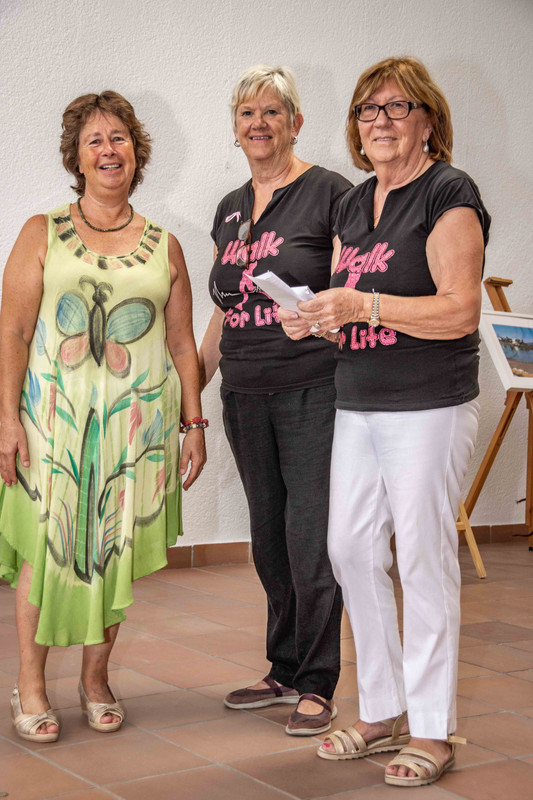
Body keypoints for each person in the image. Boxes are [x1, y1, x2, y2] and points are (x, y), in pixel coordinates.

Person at [279, 56, 490, 785]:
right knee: (349, 549)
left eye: (398, 107)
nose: (380, 121)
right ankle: (380, 709)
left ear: (428, 121)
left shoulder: (448, 191)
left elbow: (460, 309)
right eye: (368, 109)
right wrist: (316, 318)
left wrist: (359, 305)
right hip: (358, 399)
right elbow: (350, 312)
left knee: (424, 557)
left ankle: (431, 729)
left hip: (430, 403)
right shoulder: (351, 203)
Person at [0, 91, 206, 742]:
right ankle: (30, 685)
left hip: (134, 431)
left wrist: (194, 425)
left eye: (119, 138)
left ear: (136, 153)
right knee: (48, 545)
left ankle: (95, 679)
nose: (108, 150)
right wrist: (6, 419)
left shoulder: (165, 246)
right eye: (94, 140)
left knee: (112, 551)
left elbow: (181, 344)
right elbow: (13, 331)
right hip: (50, 424)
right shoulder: (41, 232)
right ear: (77, 157)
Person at [199, 65, 351, 736]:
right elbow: (222, 311)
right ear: (235, 129)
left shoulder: (330, 193)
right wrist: (189, 390)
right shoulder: (230, 207)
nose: (257, 123)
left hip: (312, 387)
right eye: (246, 113)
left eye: (270, 111)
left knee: (308, 538)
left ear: (295, 122)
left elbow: (349, 292)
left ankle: (317, 682)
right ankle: (283, 667)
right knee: (268, 538)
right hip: (244, 391)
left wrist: (318, 319)